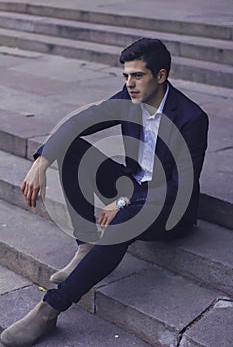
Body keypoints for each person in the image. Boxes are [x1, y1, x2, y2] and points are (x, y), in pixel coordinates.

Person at [0, 38, 208, 347]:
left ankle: (49, 310)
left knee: (126, 216)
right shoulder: (130, 97)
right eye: (125, 76)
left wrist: (124, 200)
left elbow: (179, 187)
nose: (129, 84)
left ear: (161, 76)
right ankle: (86, 246)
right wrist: (42, 161)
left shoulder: (191, 118)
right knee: (71, 148)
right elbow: (81, 121)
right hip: (135, 183)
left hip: (170, 209)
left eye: (137, 75)